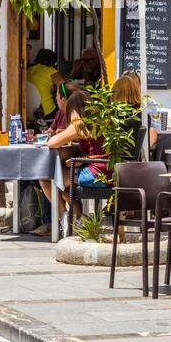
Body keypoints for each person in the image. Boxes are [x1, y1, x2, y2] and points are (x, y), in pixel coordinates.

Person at [38, 89, 105, 236]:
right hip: (106, 170)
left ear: (73, 109)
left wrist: (64, 133)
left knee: (46, 179)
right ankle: (78, 222)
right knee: (66, 191)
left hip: (96, 173)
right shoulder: (97, 119)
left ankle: (63, 218)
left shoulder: (79, 123)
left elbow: (52, 143)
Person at [111, 72, 158, 153]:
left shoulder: (109, 115)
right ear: (136, 92)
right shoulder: (142, 116)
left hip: (111, 161)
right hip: (135, 162)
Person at [27, 49, 60, 120]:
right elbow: (65, 86)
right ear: (52, 63)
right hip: (46, 111)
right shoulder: (50, 71)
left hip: (28, 110)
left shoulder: (28, 70)